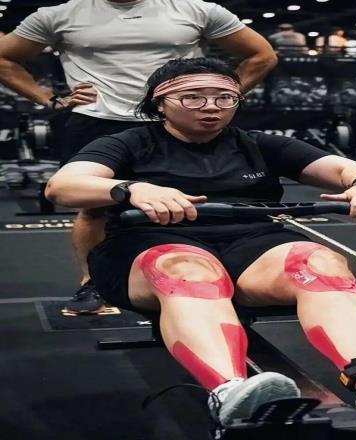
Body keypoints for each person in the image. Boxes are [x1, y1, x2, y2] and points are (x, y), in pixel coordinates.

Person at [45, 57, 356, 426]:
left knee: (319, 262)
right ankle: (230, 393)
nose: (211, 106)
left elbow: (343, 168)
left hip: (250, 243)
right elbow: (62, 186)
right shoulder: (128, 143)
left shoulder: (257, 144)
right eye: (193, 97)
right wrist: (132, 188)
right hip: (149, 245)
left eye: (224, 98)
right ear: (159, 103)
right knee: (189, 270)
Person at [0, 0, 277, 314]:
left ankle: (197, 272)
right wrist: (50, 99)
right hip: (98, 120)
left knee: (192, 199)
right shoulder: (58, 15)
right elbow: (4, 58)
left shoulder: (197, 10)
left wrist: (220, 96)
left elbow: (262, 55)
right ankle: (94, 283)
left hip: (175, 120)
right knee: (93, 208)